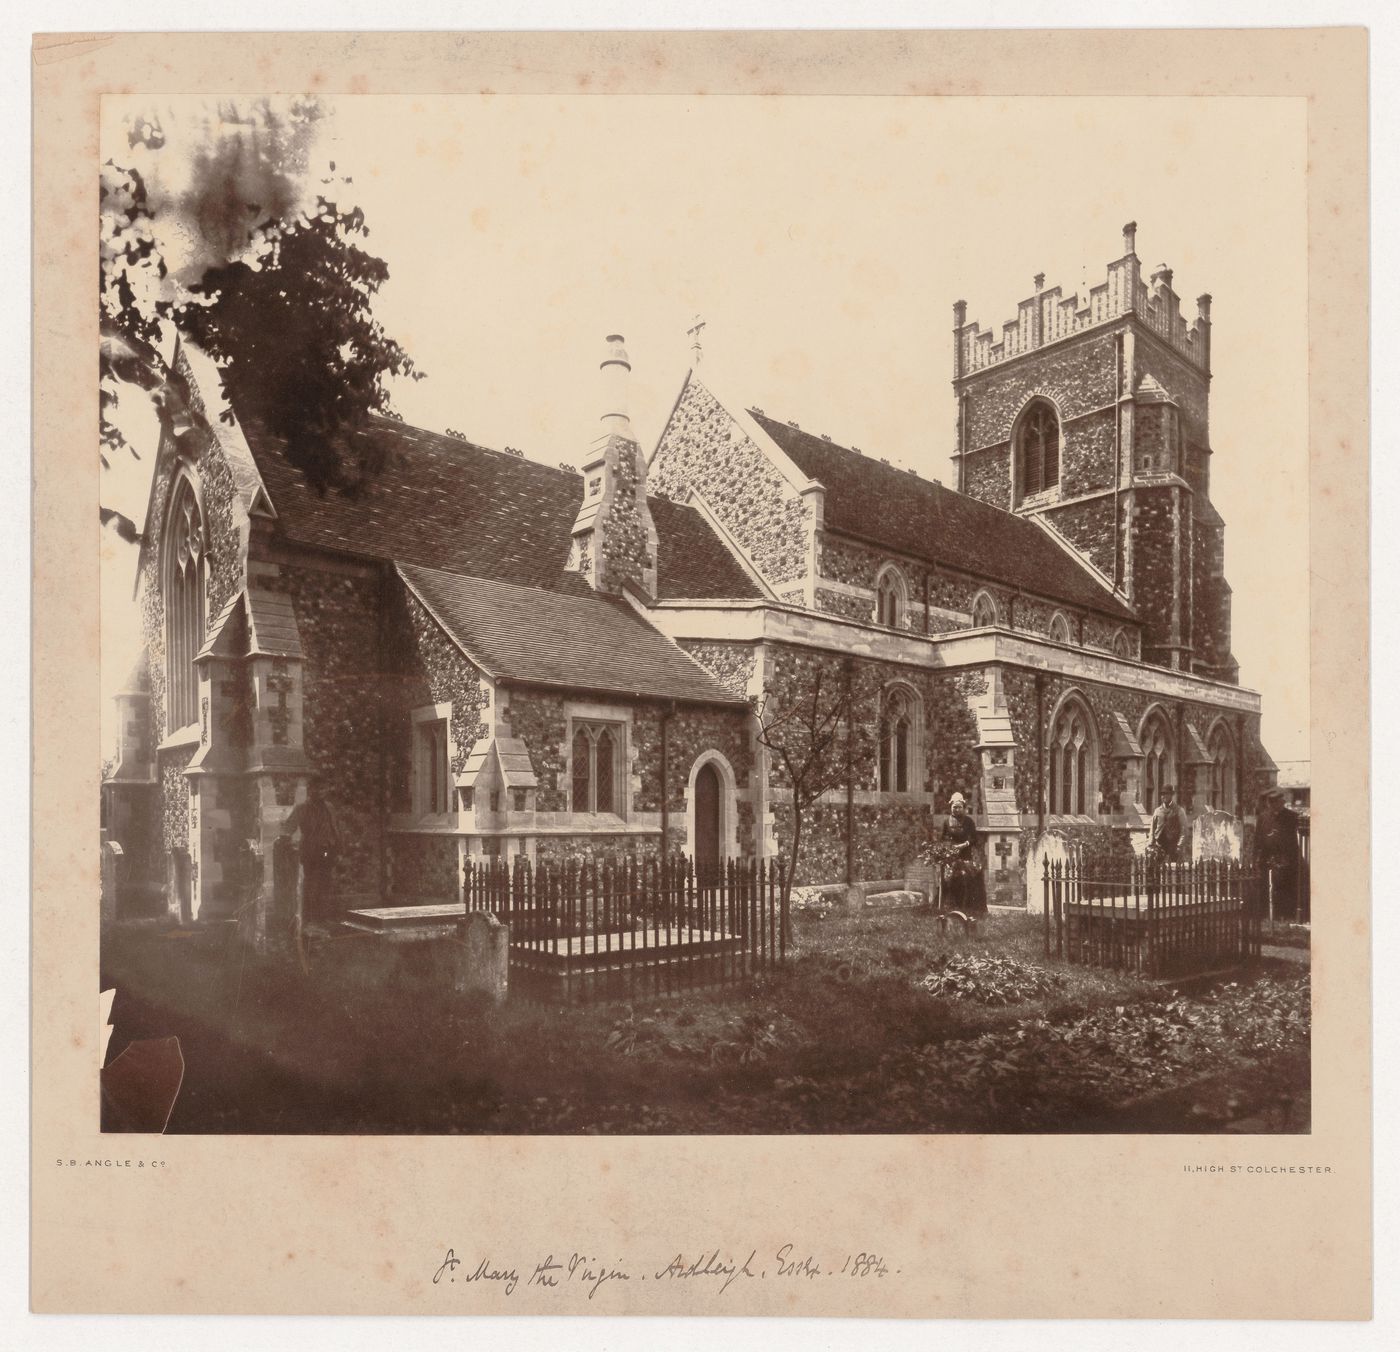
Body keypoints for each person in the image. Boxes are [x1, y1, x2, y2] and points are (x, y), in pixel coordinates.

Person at [282, 779, 342, 927]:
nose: (321, 792)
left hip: (328, 852)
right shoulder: (302, 808)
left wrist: (339, 849)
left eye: (323, 789)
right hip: (311, 852)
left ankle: (323, 918)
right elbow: (288, 827)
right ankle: (309, 919)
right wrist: (285, 839)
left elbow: (336, 829)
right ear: (311, 790)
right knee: (311, 884)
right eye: (317, 789)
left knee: (325, 883)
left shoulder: (329, 807)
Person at [1255, 787, 1301, 920]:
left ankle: (1284, 915)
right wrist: (1257, 858)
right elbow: (1258, 838)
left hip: (1285, 859)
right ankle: (1267, 915)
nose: (1274, 805)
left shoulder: (1292, 817)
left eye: (1277, 802)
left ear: (1282, 802)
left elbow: (1294, 840)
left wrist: (1289, 858)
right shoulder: (1263, 817)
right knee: (1266, 887)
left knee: (1284, 887)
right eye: (1271, 802)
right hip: (1267, 858)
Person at [940, 791, 986, 915]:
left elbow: (974, 839)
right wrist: (949, 847)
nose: (957, 809)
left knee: (966, 880)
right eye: (954, 807)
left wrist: (964, 845)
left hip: (966, 855)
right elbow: (943, 838)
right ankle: (951, 909)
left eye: (959, 807)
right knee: (950, 882)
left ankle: (968, 909)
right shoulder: (946, 822)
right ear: (950, 807)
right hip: (951, 856)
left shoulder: (969, 822)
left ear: (963, 807)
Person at [1149, 784, 1190, 862]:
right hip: (1159, 846)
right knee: (1157, 870)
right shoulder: (1157, 811)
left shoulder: (1179, 810)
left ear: (1171, 795)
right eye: (1162, 794)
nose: (1164, 796)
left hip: (1173, 847)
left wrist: (1179, 846)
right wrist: (1151, 844)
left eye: (1166, 794)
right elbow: (1152, 829)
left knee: (1172, 871)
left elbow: (1184, 830)